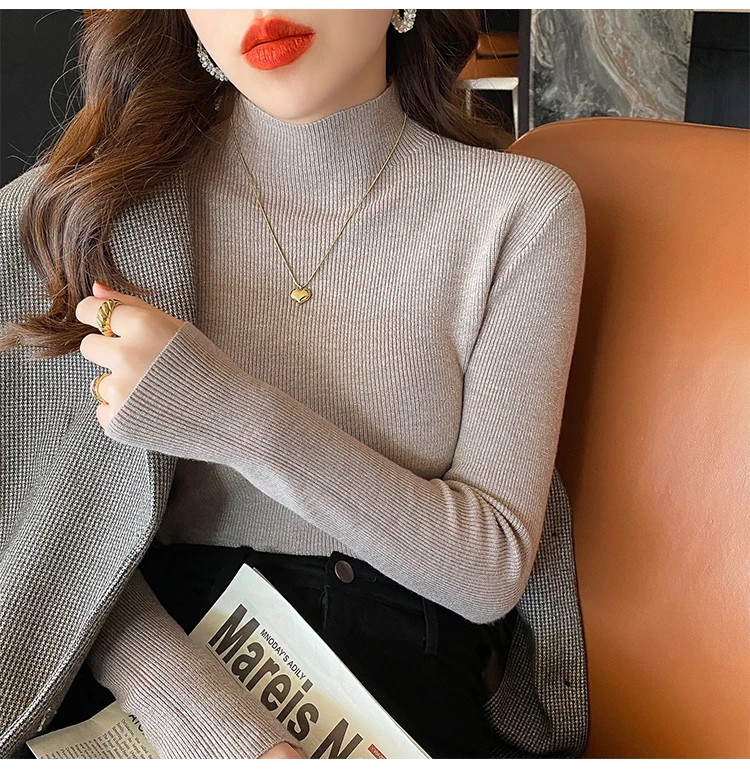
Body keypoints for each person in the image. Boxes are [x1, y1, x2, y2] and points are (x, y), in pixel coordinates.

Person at [0, 9, 588, 759]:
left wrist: (226, 413)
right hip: (137, 674)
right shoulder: (85, 210)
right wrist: (217, 730)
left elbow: (489, 570)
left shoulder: (520, 211)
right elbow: (51, 544)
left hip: (399, 683)